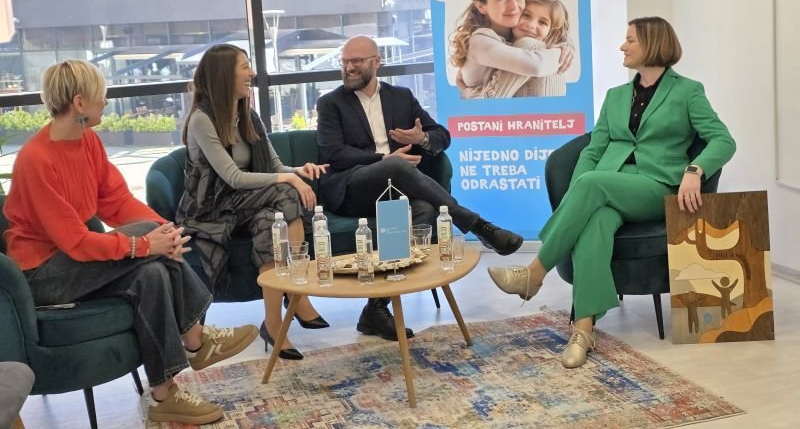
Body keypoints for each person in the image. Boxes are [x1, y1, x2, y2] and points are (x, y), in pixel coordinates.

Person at [3, 60, 258, 425]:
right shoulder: (36, 160)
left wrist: (164, 230)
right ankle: (197, 338)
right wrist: (145, 244)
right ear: (79, 103)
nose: (106, 101)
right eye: (100, 95)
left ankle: (165, 394)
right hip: (41, 274)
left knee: (150, 274)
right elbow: (75, 242)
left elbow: (116, 201)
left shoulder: (87, 141)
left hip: (73, 263)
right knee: (148, 246)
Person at [488, 16, 736, 368]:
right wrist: (577, 196)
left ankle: (534, 273)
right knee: (595, 222)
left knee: (593, 184)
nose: (622, 46)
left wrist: (695, 171)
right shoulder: (616, 96)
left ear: (652, 44)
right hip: (609, 186)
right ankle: (583, 330)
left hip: (656, 187)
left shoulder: (687, 91)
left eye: (630, 40)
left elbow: (723, 140)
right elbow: (593, 149)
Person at [316, 35, 525, 341]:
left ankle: (376, 308)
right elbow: (334, 153)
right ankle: (478, 225)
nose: (349, 68)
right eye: (344, 62)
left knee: (424, 209)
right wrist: (384, 159)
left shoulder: (401, 97)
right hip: (353, 188)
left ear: (377, 62)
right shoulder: (330, 103)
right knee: (397, 167)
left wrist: (421, 139)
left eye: (356, 61)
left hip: (398, 190)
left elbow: (442, 135)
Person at [177, 44, 329, 361]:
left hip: (244, 205)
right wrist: (288, 181)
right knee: (286, 194)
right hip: (210, 208)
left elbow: (274, 167)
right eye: (245, 66)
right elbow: (233, 178)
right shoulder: (202, 120)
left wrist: (297, 171)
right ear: (224, 75)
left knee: (270, 222)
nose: (252, 73)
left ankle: (273, 324)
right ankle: (297, 294)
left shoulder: (247, 115)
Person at [450, 0, 572, 98]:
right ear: (481, 6)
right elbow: (537, 65)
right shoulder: (481, 40)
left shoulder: (510, 37)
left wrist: (567, 45)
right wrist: (560, 52)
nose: (514, 6)